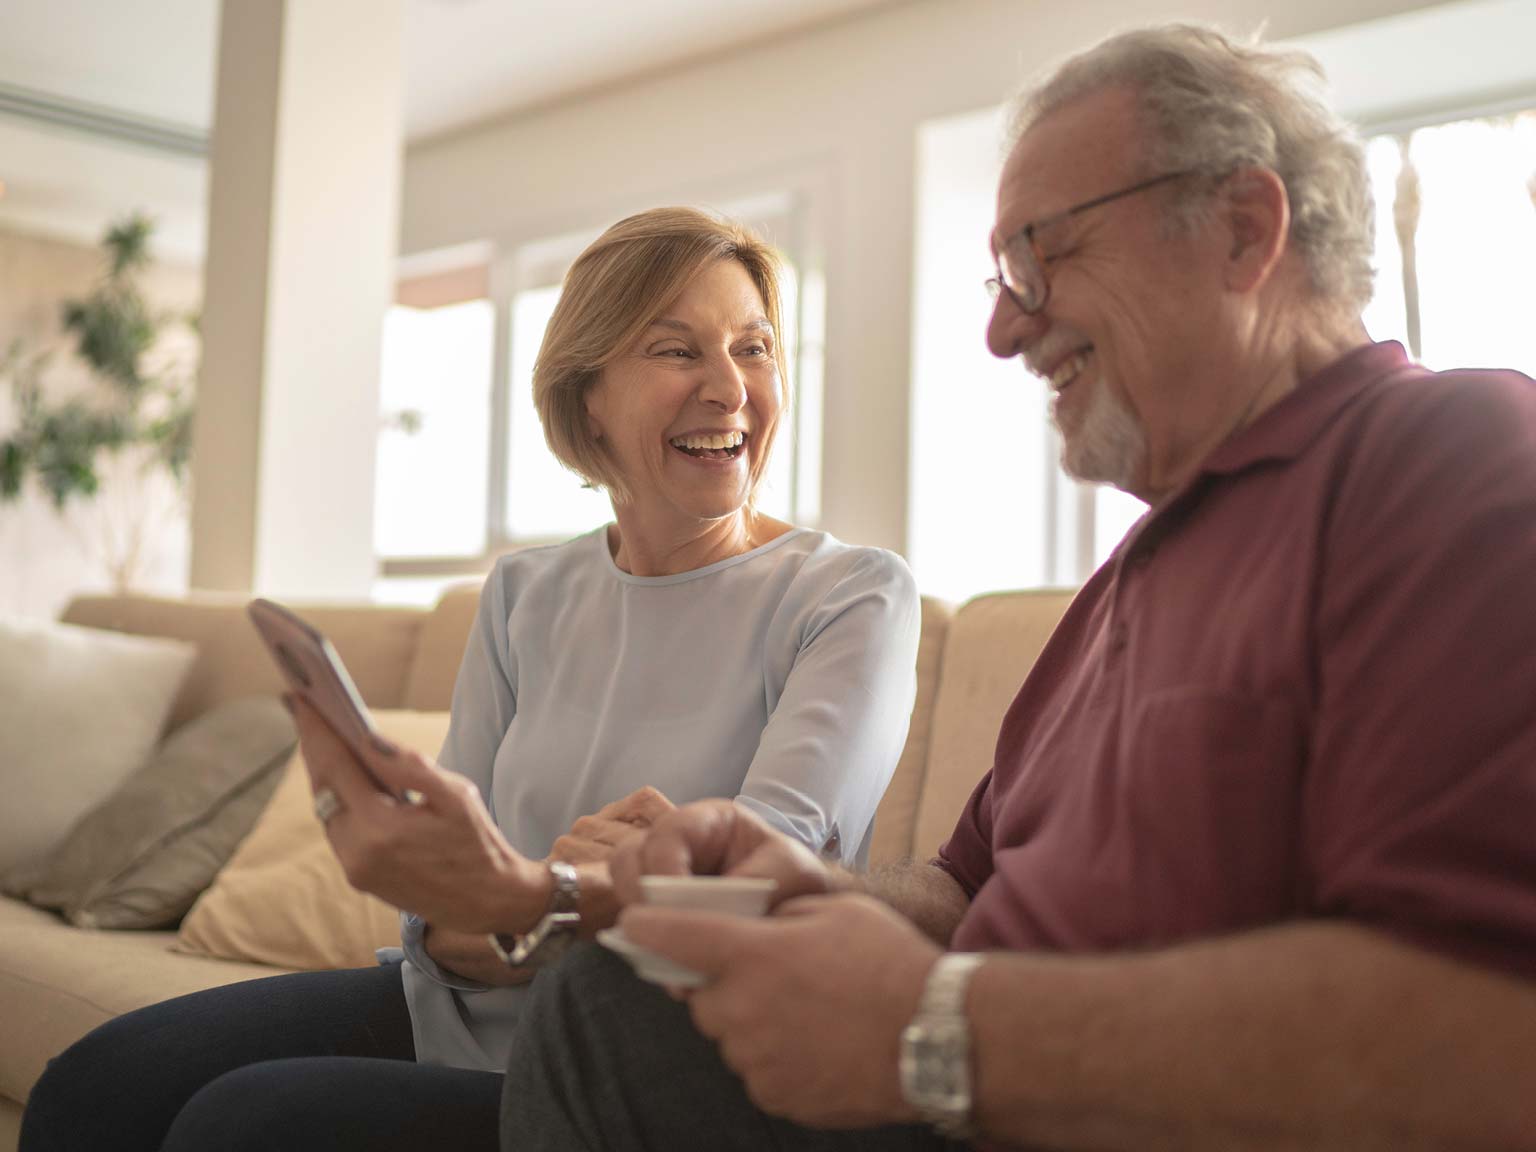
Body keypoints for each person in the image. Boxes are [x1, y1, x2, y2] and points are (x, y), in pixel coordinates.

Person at [486, 26, 1536, 1152]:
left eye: (1043, 255)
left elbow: (1494, 1024)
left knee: (604, 1021)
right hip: (989, 1079)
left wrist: (939, 1027)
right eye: (1001, 274)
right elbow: (958, 892)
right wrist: (798, 885)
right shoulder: (1135, 570)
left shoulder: (1453, 457)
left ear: (1243, 229)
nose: (1000, 329)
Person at [20, 207, 920, 1152]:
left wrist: (527, 897)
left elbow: (766, 871)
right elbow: (438, 912)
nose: (731, 388)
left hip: (646, 1058)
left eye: (754, 348)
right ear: (588, 402)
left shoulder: (851, 595)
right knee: (93, 1088)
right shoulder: (526, 590)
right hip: (454, 1003)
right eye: (675, 351)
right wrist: (536, 900)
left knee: (240, 1129)